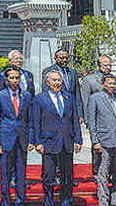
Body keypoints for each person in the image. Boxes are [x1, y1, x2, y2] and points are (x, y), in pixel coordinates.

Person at [32, 69, 82, 206]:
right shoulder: (39, 99)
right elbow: (36, 122)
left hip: (67, 141)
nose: (57, 83)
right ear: (47, 82)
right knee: (48, 175)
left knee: (67, 175)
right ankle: (49, 201)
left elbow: (75, 120)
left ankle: (66, 200)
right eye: (54, 80)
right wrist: (38, 142)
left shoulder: (69, 97)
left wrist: (78, 140)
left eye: (59, 80)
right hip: (49, 142)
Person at [87, 73, 116, 206]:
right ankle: (104, 202)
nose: (112, 86)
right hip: (104, 142)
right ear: (102, 84)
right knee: (103, 175)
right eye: (109, 83)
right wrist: (95, 141)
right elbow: (92, 121)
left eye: (114, 83)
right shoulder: (95, 98)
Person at [0, 67, 34, 206]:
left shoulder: (27, 96)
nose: (15, 81)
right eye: (12, 78)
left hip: (22, 139)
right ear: (6, 80)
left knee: (21, 174)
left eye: (17, 78)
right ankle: (5, 202)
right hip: (6, 140)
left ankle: (21, 201)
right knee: (5, 174)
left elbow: (30, 120)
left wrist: (31, 139)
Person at [81, 55, 114, 176]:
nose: (108, 67)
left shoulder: (115, 79)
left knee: (112, 146)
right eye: (105, 65)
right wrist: (86, 119)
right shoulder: (89, 80)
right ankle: (96, 172)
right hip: (96, 119)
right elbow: (85, 100)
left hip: (111, 119)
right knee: (97, 146)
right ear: (99, 65)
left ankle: (110, 171)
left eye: (110, 65)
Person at [41, 49, 83, 119]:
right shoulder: (48, 71)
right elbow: (45, 92)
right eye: (61, 58)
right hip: (55, 111)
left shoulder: (72, 72)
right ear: (56, 58)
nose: (65, 60)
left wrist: (79, 114)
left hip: (70, 112)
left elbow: (77, 94)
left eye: (66, 58)